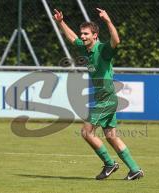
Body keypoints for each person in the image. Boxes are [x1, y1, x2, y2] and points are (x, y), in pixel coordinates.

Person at [53, 8, 144, 180]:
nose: (83, 36)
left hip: (106, 98)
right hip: (104, 98)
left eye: (86, 34)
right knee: (111, 136)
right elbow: (72, 38)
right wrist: (60, 22)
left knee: (87, 132)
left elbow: (116, 40)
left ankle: (110, 164)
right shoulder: (85, 49)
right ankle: (135, 169)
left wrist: (108, 21)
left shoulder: (102, 49)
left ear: (95, 35)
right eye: (82, 34)